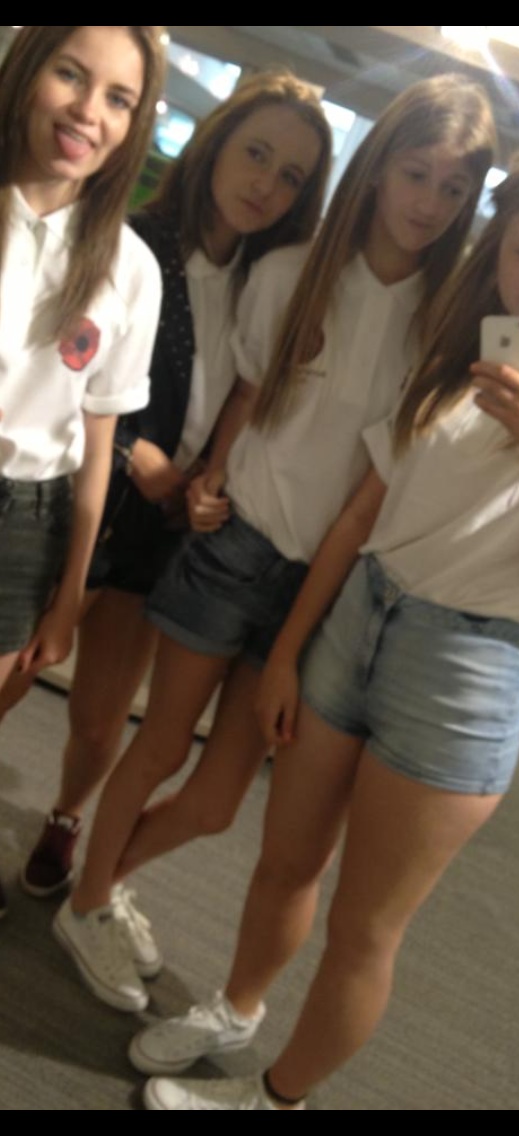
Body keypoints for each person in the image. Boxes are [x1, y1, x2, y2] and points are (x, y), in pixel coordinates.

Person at [128, 132, 519, 1111]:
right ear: (496, 248)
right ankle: (236, 1007)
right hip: (359, 614)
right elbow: (362, 514)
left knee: (364, 927)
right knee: (286, 861)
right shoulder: (456, 350)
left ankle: (277, 1097)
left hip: (467, 665)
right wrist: (287, 652)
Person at [52, 74, 497, 1012]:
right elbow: (249, 398)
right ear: (378, 170)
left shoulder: (446, 318)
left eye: (454, 188)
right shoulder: (293, 273)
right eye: (416, 174)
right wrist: (210, 475)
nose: (429, 203)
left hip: (321, 587)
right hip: (233, 550)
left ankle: (97, 881)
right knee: (157, 748)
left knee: (218, 802)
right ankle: (87, 901)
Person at [15, 72, 332, 948]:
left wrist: (207, 479)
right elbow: (57, 376)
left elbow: (257, 401)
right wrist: (133, 453)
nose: (265, 184)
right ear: (215, 143)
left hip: (172, 528)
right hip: (81, 498)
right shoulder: (128, 242)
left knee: (105, 716)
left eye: (292, 176)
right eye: (255, 153)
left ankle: (67, 820)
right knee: (23, 674)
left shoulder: (275, 279)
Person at [0, 26, 166, 918]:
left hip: (26, 519)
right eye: (71, 74)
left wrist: (69, 594)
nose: (87, 112)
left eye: (118, 98)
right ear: (28, 70)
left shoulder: (129, 270)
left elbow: (99, 449)